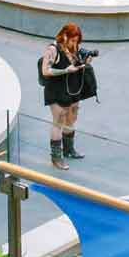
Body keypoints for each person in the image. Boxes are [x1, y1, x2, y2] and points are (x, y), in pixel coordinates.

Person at [39, 23, 92, 169]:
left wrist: (84, 62)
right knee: (59, 121)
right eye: (73, 40)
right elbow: (45, 71)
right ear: (65, 36)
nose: (75, 44)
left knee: (71, 118)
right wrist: (65, 70)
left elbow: (76, 64)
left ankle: (69, 150)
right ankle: (56, 158)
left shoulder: (73, 49)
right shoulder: (52, 50)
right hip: (56, 90)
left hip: (72, 89)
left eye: (77, 41)